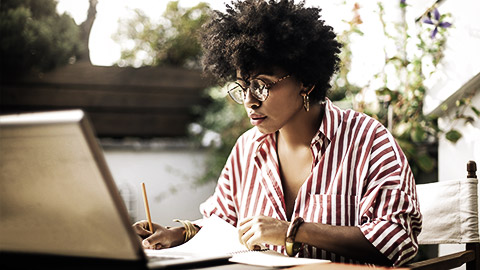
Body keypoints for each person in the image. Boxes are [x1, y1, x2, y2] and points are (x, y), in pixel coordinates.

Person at [133, 0, 422, 267]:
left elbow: (396, 241)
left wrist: (292, 231)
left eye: (262, 84)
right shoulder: (248, 148)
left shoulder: (367, 140)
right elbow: (221, 222)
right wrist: (179, 233)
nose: (249, 100)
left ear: (306, 81)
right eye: (242, 87)